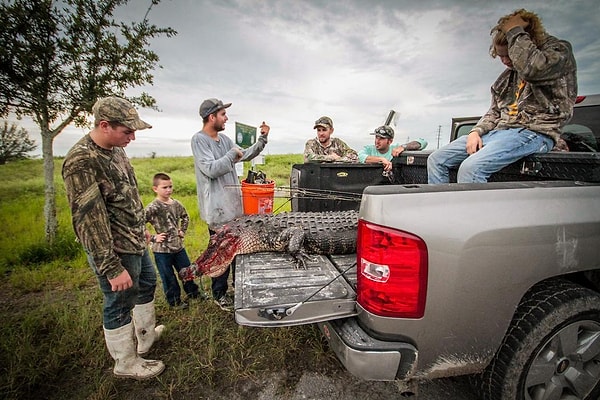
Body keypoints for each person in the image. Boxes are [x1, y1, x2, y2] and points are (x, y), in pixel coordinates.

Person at [62, 97, 165, 380]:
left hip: (134, 239)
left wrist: (139, 227)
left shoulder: (117, 149)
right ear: (105, 126)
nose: (132, 137)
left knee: (146, 283)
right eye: (127, 131)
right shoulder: (82, 161)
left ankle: (145, 337)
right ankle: (125, 361)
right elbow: (88, 220)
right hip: (113, 249)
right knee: (119, 300)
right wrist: (110, 267)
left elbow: (126, 196)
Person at [427, 8, 577, 184]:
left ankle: (471, 212)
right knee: (436, 160)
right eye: (500, 56)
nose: (505, 61)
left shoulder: (558, 52)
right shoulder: (506, 79)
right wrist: (476, 131)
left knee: (471, 168)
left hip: (534, 132)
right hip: (499, 132)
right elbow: (494, 111)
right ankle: (443, 210)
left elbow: (533, 69)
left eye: (508, 55)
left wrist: (515, 31)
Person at [191, 98, 270, 311]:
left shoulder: (224, 140)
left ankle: (238, 288)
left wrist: (262, 139)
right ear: (212, 117)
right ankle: (220, 294)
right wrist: (230, 155)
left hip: (235, 211)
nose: (226, 118)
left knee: (238, 253)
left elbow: (243, 154)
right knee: (221, 255)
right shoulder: (199, 141)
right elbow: (210, 169)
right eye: (223, 114)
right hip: (218, 213)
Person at [145, 173, 205, 310]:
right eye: (164, 187)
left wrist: (182, 230)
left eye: (170, 186)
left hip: (178, 247)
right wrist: (154, 237)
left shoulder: (176, 204)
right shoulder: (153, 207)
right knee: (168, 276)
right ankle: (174, 301)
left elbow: (185, 217)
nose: (168, 190)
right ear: (155, 189)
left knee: (187, 271)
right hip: (162, 250)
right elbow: (139, 223)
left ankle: (193, 294)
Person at [358, 125, 428, 172]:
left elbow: (423, 142)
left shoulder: (396, 148)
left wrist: (403, 147)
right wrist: (382, 160)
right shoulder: (369, 149)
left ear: (390, 141)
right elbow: (361, 156)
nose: (377, 141)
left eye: (381, 138)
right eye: (376, 137)